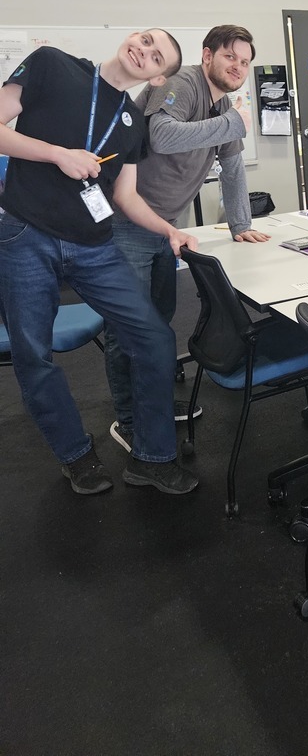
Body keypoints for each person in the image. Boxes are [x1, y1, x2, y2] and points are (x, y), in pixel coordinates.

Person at [0, 30, 200, 495]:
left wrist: (167, 229)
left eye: (156, 58)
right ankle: (75, 455)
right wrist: (57, 155)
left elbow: (125, 195)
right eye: (145, 40)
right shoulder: (53, 64)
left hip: (93, 245)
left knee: (153, 337)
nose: (143, 52)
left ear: (157, 78)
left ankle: (151, 458)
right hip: (25, 233)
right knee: (34, 354)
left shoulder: (132, 119)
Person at [104, 25, 270, 453]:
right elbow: (159, 134)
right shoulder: (183, 83)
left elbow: (232, 169)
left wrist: (240, 225)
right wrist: (230, 123)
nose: (238, 67)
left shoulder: (225, 104)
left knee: (157, 324)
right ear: (208, 54)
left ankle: (152, 404)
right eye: (231, 57)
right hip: (125, 221)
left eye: (246, 62)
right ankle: (128, 420)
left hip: (163, 226)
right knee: (129, 330)